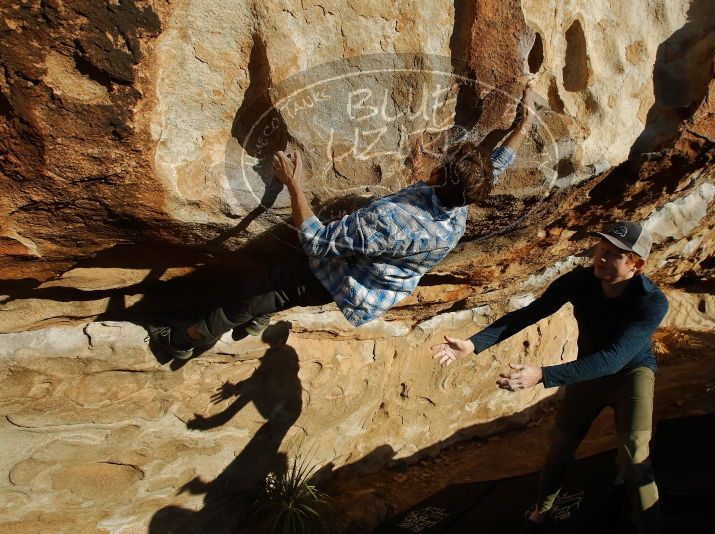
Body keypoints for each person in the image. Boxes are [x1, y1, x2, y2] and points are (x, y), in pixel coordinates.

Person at [149, 86, 539, 360]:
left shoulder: (393, 222)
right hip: (363, 280)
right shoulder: (460, 204)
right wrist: (522, 125)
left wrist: (294, 186)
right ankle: (260, 318)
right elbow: (496, 166)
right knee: (281, 289)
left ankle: (185, 340)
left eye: (440, 162)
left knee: (258, 290)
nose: (435, 159)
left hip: (336, 276)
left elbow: (318, 243)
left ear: (439, 178)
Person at [431, 221, 668, 534]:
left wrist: (542, 375)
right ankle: (542, 510)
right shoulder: (579, 282)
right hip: (587, 374)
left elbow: (613, 360)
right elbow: (529, 313)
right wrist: (475, 343)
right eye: (601, 249)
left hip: (630, 375)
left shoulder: (651, 301)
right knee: (559, 448)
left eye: (613, 254)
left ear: (636, 264)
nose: (601, 257)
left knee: (634, 459)